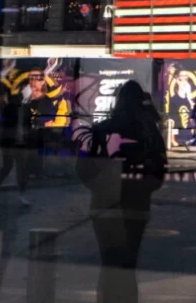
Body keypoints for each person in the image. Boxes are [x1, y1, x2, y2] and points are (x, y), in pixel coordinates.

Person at [75, 80, 167, 303]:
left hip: (104, 204)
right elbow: (159, 172)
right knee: (128, 264)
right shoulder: (149, 133)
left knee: (108, 263)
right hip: (137, 205)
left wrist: (102, 186)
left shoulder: (102, 129)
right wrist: (140, 187)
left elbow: (83, 169)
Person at [0, 84, 31, 207]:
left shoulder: (25, 108)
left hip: (20, 143)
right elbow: (4, 125)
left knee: (21, 169)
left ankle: (22, 195)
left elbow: (28, 125)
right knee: (8, 166)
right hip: (10, 142)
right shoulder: (9, 108)